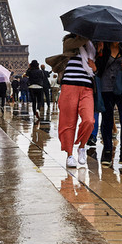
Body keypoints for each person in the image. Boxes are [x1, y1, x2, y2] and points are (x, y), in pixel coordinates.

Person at [46, 34, 97, 167]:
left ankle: (82, 146)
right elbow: (78, 42)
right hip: (69, 87)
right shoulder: (69, 42)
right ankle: (69, 155)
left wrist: (95, 67)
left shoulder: (93, 48)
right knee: (67, 123)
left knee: (89, 120)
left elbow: (97, 71)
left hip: (87, 88)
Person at [95, 41, 122, 166]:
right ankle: (107, 151)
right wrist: (99, 51)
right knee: (107, 119)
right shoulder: (103, 46)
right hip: (106, 88)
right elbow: (97, 68)